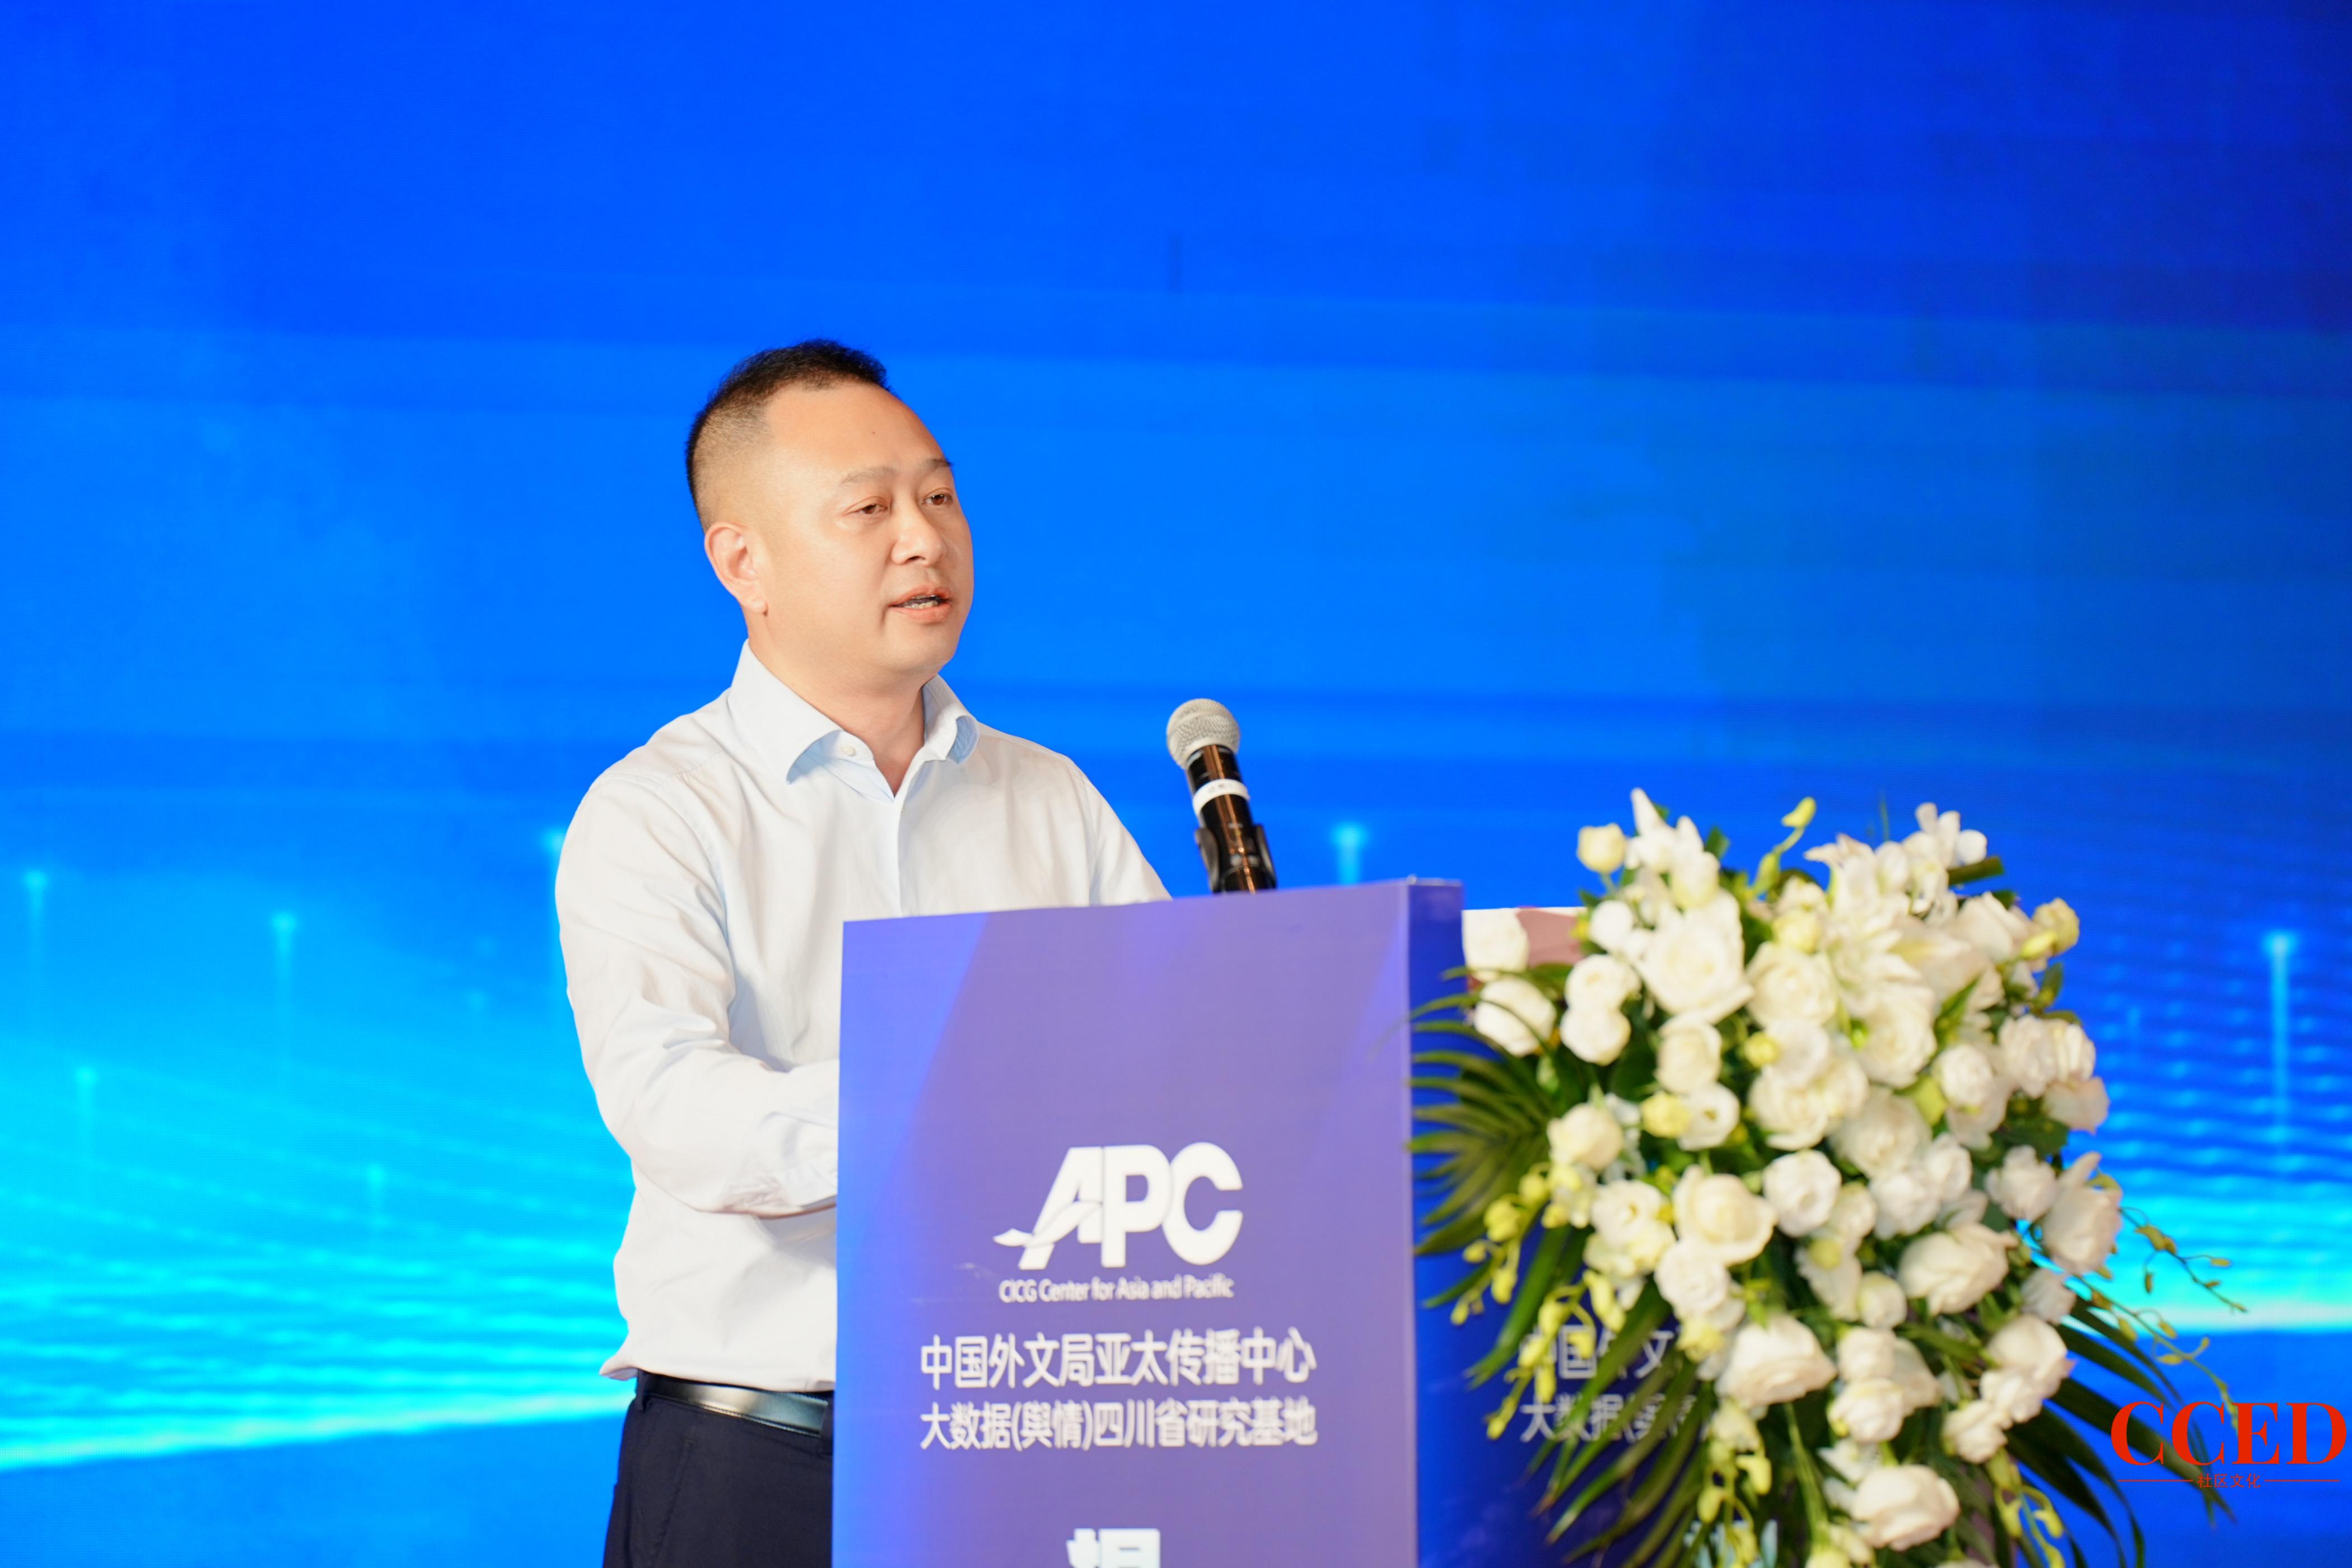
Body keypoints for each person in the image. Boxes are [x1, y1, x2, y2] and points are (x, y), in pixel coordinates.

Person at [555, 341, 1168, 1568]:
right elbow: (677, 1110)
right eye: (869, 509)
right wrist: (961, 1104)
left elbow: (1181, 1045)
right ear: (743, 560)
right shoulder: (659, 809)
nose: (924, 540)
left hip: (1033, 1442)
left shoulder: (1050, 797)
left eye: (939, 497)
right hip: (763, 1467)